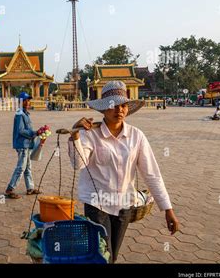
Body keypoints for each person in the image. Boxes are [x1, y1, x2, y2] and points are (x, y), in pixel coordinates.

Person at [68, 81, 179, 263]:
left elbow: (151, 174)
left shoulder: (136, 136)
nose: (119, 110)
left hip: (124, 206)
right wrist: (75, 135)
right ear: (104, 109)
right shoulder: (90, 134)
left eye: (123, 105)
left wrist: (168, 209)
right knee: (102, 255)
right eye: (113, 106)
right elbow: (78, 163)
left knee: (113, 255)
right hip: (97, 205)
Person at [4, 92, 42, 199]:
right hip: (22, 144)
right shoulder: (20, 114)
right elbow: (21, 130)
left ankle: (30, 188)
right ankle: (10, 189)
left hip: (27, 144)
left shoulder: (25, 114)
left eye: (28, 100)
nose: (27, 102)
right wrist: (34, 133)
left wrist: (36, 132)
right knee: (21, 167)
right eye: (25, 100)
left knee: (28, 167)